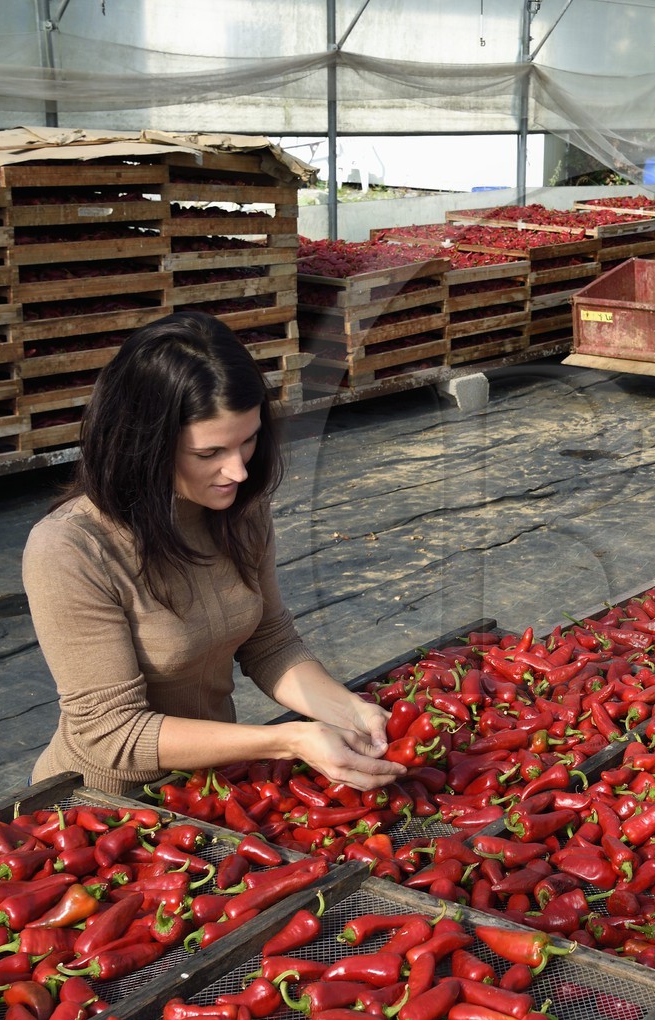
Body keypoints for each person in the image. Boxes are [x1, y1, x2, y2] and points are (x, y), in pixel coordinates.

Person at [25, 311, 402, 794]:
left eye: (247, 442)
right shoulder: (71, 548)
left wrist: (350, 711)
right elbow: (110, 733)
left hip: (209, 788)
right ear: (143, 445)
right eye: (209, 454)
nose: (238, 471)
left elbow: (269, 642)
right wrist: (287, 741)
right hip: (102, 805)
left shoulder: (238, 510)